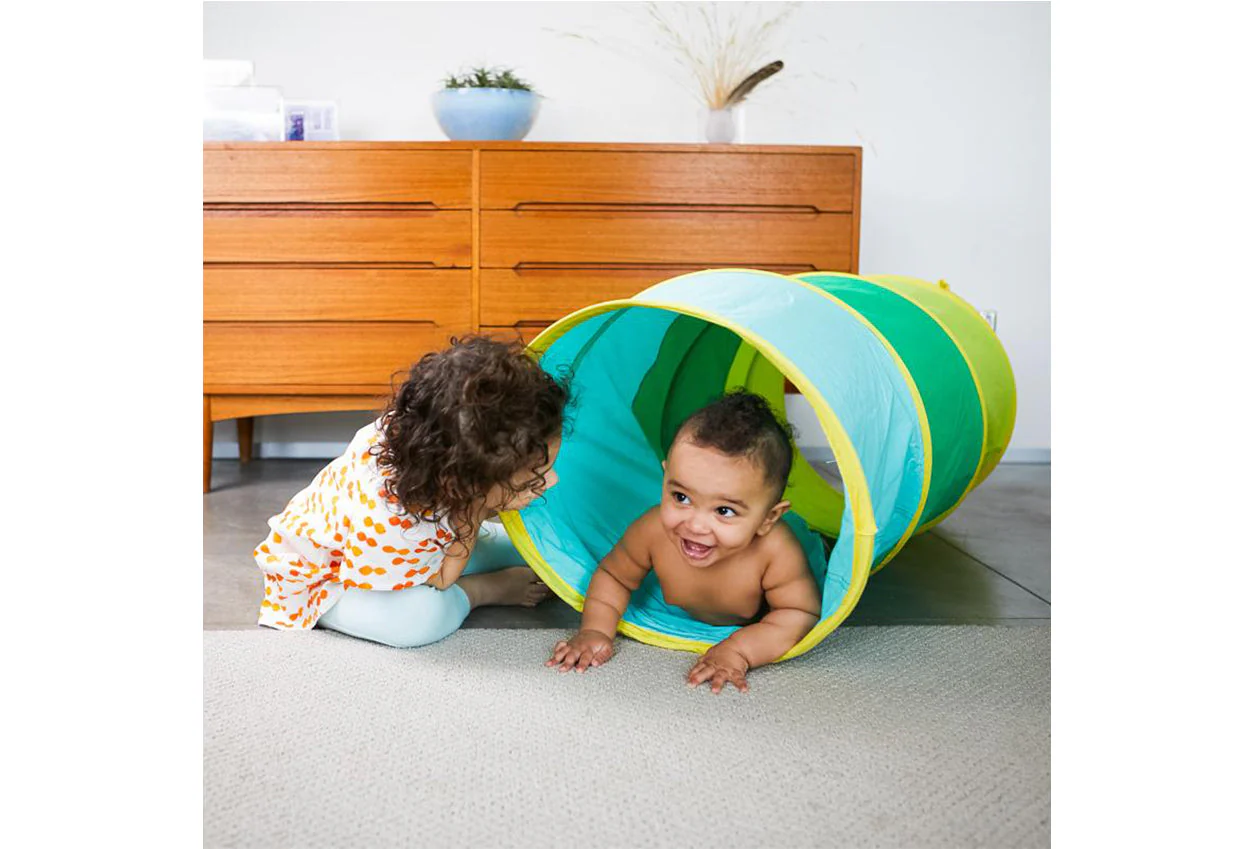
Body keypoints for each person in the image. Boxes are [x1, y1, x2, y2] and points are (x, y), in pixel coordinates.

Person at [253, 336, 567, 648]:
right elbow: (442, 579)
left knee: (522, 546)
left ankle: (510, 556)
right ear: (466, 486)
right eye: (530, 482)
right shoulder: (391, 523)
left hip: (421, 536)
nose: (551, 481)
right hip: (329, 580)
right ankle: (481, 591)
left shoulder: (427, 440)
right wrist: (471, 521)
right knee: (418, 617)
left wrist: (474, 511)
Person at [546, 391, 821, 694]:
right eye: (681, 497)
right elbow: (614, 576)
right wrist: (595, 630)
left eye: (724, 511)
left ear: (768, 518)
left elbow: (800, 613)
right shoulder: (652, 531)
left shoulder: (775, 551)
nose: (695, 525)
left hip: (763, 608)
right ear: (665, 478)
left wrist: (739, 650)